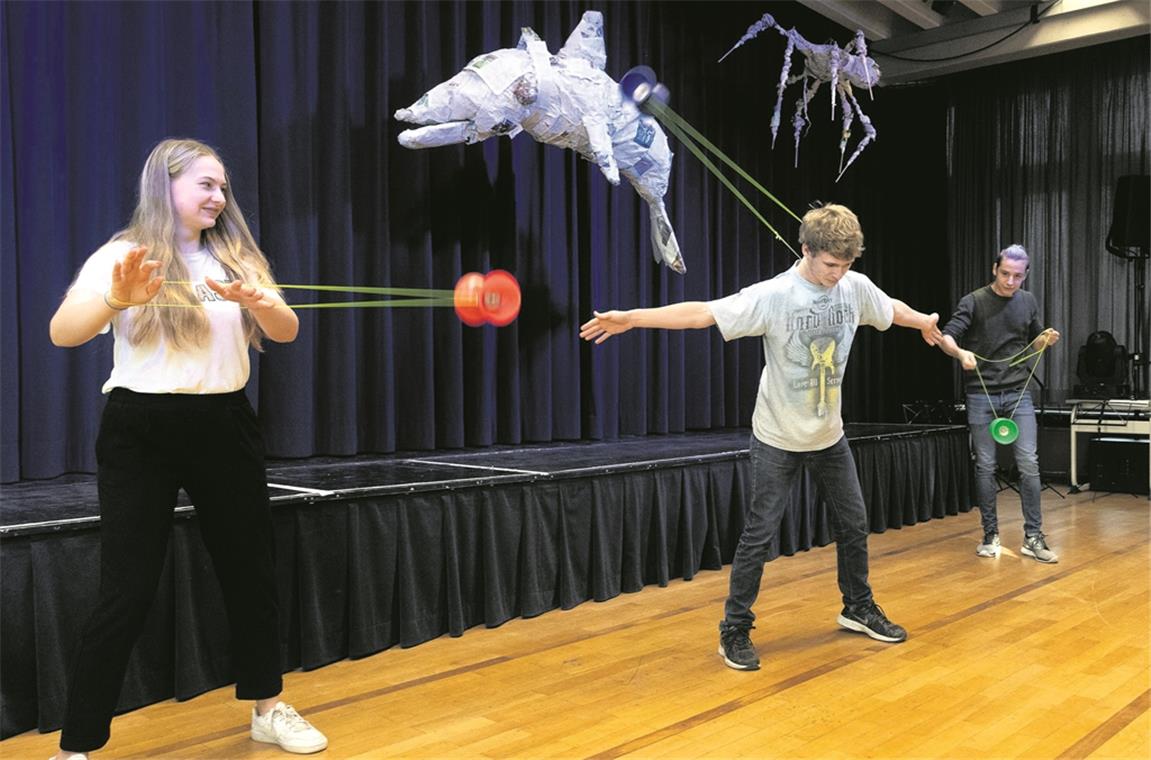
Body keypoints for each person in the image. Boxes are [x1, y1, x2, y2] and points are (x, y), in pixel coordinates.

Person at [48, 139, 327, 757]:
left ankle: (267, 707)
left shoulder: (236, 256)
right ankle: (75, 745)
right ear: (165, 186)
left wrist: (261, 301)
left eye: (223, 187)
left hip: (223, 422)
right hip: (139, 427)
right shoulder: (123, 256)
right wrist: (117, 300)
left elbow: (286, 329)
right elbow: (63, 333)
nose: (218, 197)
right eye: (206, 184)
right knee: (126, 588)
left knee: (250, 571)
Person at [580, 203, 942, 671]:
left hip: (829, 435)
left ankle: (857, 607)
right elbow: (703, 315)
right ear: (806, 250)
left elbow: (886, 307)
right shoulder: (775, 295)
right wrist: (633, 317)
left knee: (853, 524)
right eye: (831, 264)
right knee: (760, 535)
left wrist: (922, 322)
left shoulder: (853, 286)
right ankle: (734, 628)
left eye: (847, 264)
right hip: (776, 437)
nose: (839, 273)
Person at [939, 244, 1061, 564]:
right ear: (995, 269)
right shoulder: (974, 301)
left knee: (1029, 463)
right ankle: (990, 534)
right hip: (981, 393)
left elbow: (1033, 343)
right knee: (986, 466)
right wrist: (960, 353)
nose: (1010, 281)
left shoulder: (1028, 301)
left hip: (1018, 392)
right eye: (1005, 273)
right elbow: (947, 336)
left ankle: (1033, 536)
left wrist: (1045, 339)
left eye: (1017, 276)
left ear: (1026, 275)